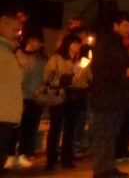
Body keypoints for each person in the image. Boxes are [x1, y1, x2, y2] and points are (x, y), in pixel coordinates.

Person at [90, 12, 129, 178]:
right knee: (103, 134)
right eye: (125, 25)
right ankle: (101, 170)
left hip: (116, 97)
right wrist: (125, 72)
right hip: (105, 98)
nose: (128, 29)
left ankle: (108, 167)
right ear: (116, 26)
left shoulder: (119, 45)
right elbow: (99, 69)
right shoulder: (106, 43)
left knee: (111, 134)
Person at [44, 34, 91, 170]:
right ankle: (51, 159)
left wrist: (86, 82)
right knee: (55, 129)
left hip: (76, 97)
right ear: (68, 44)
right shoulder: (57, 58)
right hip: (61, 95)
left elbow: (87, 76)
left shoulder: (83, 60)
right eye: (74, 44)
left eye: (79, 44)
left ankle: (66, 158)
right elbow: (48, 77)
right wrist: (65, 78)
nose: (77, 47)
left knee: (70, 129)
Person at [7, 31, 45, 170]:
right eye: (37, 41)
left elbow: (46, 77)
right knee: (14, 128)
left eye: (40, 42)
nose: (39, 44)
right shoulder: (16, 56)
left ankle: (23, 153)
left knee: (29, 128)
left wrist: (42, 88)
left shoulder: (41, 59)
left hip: (34, 98)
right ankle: (10, 155)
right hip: (19, 97)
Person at [0, 16, 23, 176]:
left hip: (7, 112)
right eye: (15, 29)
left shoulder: (10, 52)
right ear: (3, 25)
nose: (18, 34)